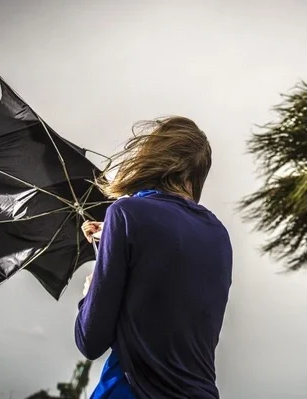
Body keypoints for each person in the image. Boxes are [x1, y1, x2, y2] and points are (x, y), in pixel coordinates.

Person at [75, 116, 233, 399]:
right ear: (195, 176)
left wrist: (89, 295)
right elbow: (167, 296)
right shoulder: (219, 234)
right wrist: (112, 236)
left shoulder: (126, 214)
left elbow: (90, 340)